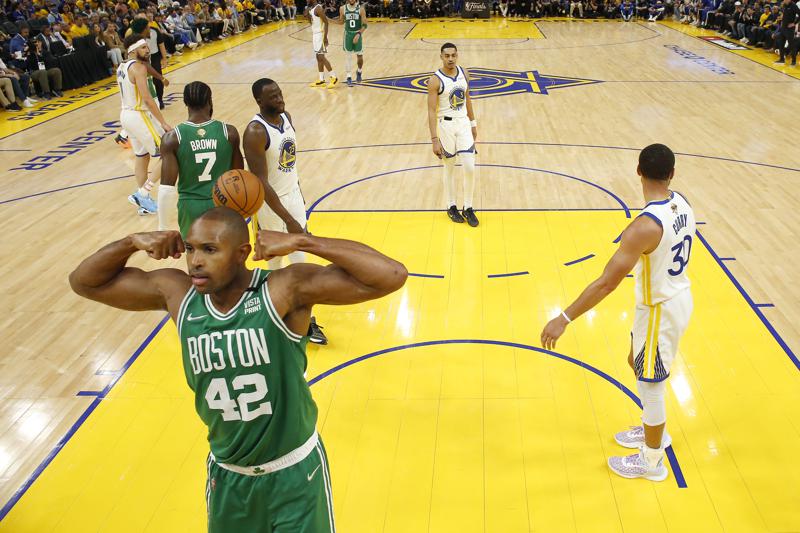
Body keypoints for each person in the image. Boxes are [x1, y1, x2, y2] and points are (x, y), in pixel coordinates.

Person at [68, 207, 407, 533]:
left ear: (242, 252)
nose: (195, 260)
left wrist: (304, 241)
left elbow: (391, 275)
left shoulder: (283, 289)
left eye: (210, 249)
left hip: (294, 472)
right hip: (229, 477)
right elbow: (85, 283)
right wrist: (130, 242)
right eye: (190, 249)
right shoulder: (178, 293)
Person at [540, 144, 695, 482]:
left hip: (660, 310)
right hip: (675, 297)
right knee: (635, 360)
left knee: (650, 382)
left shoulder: (643, 227)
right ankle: (652, 427)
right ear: (672, 174)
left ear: (638, 170)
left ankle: (653, 459)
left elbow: (606, 284)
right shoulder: (681, 201)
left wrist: (563, 318)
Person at [243, 78, 329, 345]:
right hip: (270, 205)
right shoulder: (255, 132)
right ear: (259, 101)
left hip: (292, 197)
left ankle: (304, 320)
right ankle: (273, 315)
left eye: (280, 93)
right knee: (275, 263)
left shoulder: (287, 118)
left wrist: (298, 204)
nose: (280, 99)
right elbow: (262, 182)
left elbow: (290, 168)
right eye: (273, 96)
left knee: (300, 261)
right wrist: (290, 220)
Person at [158, 81, 244, 235]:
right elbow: (237, 176)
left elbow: (166, 188)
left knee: (196, 257)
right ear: (210, 101)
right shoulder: (229, 132)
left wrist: (162, 229)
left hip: (190, 207)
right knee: (226, 255)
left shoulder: (172, 138)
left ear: (185, 103)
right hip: (223, 204)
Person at [118, 35, 172, 215]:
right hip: (139, 115)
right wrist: (163, 122)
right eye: (143, 48)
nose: (148, 50)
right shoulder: (139, 68)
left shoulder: (122, 66)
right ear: (133, 50)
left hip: (126, 115)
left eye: (147, 47)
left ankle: (144, 204)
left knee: (142, 157)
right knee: (168, 152)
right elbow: (148, 99)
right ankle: (143, 193)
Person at [427, 43, 479, 227]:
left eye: (453, 55)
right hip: (446, 126)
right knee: (449, 168)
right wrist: (434, 139)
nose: (450, 58)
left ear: (457, 56)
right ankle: (451, 205)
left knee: (470, 167)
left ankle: (469, 207)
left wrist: (473, 123)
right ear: (441, 56)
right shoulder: (435, 80)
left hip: (463, 123)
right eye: (447, 55)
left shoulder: (464, 73)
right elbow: (431, 111)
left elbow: (468, 98)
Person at [334, 0, 367, 86]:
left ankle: (359, 71)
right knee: (348, 56)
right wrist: (330, 20)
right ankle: (349, 76)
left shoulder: (361, 9)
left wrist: (358, 34)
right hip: (348, 35)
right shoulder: (342, 8)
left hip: (357, 33)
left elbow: (365, 25)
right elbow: (341, 22)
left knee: (360, 57)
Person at [306, 0, 338, 88]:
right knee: (318, 57)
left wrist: (325, 37)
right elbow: (311, 22)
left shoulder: (318, 8)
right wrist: (307, 15)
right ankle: (321, 80)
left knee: (321, 57)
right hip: (315, 34)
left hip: (320, 34)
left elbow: (326, 22)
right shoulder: (311, 8)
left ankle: (334, 77)